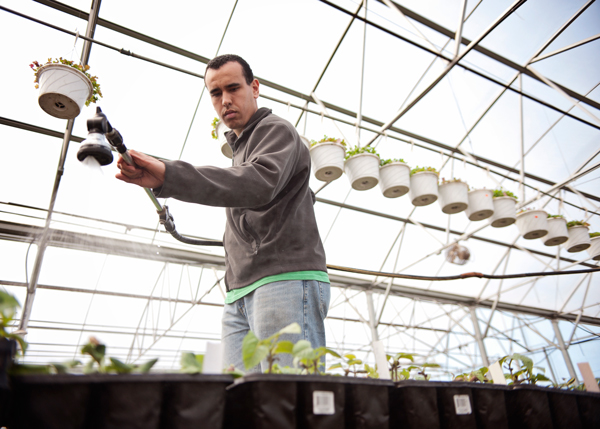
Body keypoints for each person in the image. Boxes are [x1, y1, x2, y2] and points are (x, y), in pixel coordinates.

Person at [115, 54, 330, 372]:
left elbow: (257, 184)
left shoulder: (276, 131)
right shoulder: (241, 148)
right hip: (239, 292)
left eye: (233, 88)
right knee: (240, 400)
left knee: (286, 399)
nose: (225, 100)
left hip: (282, 279)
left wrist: (169, 176)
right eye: (215, 93)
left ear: (254, 87)